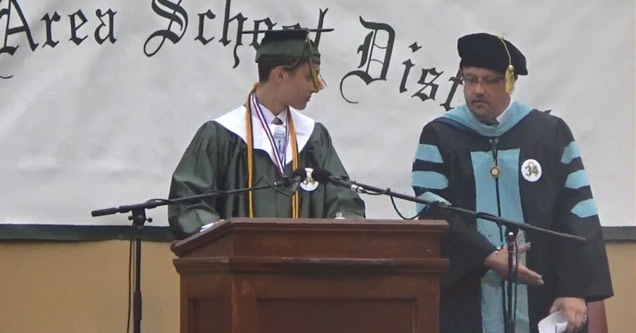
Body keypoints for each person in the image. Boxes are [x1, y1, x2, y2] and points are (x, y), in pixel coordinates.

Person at [411, 32, 612, 333]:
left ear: (510, 81)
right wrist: (487, 256)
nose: (477, 90)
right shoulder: (439, 136)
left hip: (545, 297)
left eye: (489, 81)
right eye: (469, 79)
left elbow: (578, 212)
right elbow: (432, 210)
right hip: (466, 300)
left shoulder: (549, 135)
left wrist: (574, 288)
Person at [169, 29, 365, 240]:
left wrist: (343, 221)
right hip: (241, 269)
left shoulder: (314, 138)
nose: (315, 87)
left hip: (304, 269)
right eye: (309, 77)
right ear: (280, 75)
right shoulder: (221, 135)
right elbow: (188, 203)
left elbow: (343, 199)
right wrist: (217, 232)